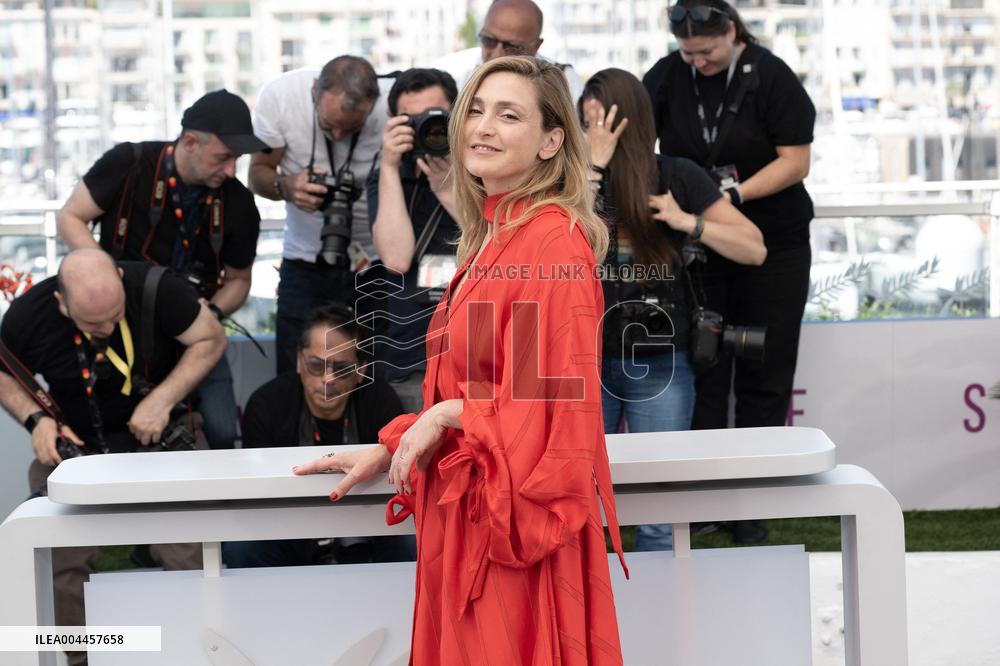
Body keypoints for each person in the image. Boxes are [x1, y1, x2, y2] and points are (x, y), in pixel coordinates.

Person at [294, 56, 628, 664]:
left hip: (509, 532)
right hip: (470, 515)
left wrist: (444, 416)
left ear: (552, 142)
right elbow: (489, 386)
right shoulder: (498, 235)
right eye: (475, 110)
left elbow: (541, 412)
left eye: (509, 115)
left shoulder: (550, 241)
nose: (483, 127)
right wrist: (398, 443)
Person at [0, 249, 226, 666]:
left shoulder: (159, 288)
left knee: (186, 551)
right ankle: (79, 658)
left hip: (162, 437)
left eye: (115, 315)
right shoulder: (29, 315)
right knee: (59, 558)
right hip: (79, 447)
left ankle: (195, 653)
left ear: (121, 278)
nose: (105, 328)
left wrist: (162, 399)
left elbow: (211, 338)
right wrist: (36, 420)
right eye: (92, 323)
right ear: (62, 303)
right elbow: (3, 371)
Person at [643, 0, 816, 543]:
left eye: (708, 51)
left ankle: (750, 503)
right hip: (700, 252)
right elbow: (637, 144)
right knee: (707, 368)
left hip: (773, 248)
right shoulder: (668, 77)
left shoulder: (770, 76)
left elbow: (796, 161)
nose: (699, 62)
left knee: (763, 371)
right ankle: (705, 500)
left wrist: (730, 196)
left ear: (733, 32)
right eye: (688, 53)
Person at [580, 68, 766, 550]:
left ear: (632, 122)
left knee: (661, 513)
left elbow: (753, 248)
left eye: (603, 123)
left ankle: (658, 594)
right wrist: (592, 168)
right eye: (586, 124)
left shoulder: (676, 175)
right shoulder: (571, 182)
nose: (594, 134)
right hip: (581, 358)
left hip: (659, 357)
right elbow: (557, 240)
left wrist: (687, 221)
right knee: (580, 504)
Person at [56, 89, 266, 450]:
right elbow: (70, 216)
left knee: (221, 429)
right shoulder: (130, 163)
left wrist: (212, 312)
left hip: (193, 327)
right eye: (223, 158)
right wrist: (102, 274)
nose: (231, 171)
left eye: (237, 160)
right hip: (122, 318)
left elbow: (238, 280)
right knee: (104, 426)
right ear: (190, 142)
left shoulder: (238, 203)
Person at [225, 304, 413, 566]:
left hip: (367, 521)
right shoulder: (267, 404)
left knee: (411, 539)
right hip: (287, 526)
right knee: (240, 547)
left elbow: (401, 480)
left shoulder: (380, 401)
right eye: (316, 365)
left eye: (342, 368)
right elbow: (257, 495)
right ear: (299, 362)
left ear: (361, 371)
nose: (328, 379)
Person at [249, 56, 394, 375]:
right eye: (328, 125)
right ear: (314, 91)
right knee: (296, 370)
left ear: (373, 105)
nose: (339, 136)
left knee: (376, 370)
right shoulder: (282, 97)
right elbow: (257, 174)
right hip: (305, 258)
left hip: (376, 259)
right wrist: (286, 186)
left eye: (351, 129)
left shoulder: (394, 106)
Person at [367, 68, 461, 413]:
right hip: (411, 354)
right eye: (413, 120)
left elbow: (497, 246)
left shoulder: (483, 170)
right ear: (393, 120)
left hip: (476, 356)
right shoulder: (387, 175)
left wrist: (449, 189)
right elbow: (396, 259)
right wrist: (390, 167)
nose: (427, 128)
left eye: (436, 118)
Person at [433, 0, 584, 102]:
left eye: (511, 46)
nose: (497, 54)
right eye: (489, 40)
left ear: (536, 46)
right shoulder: (452, 73)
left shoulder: (564, 82)